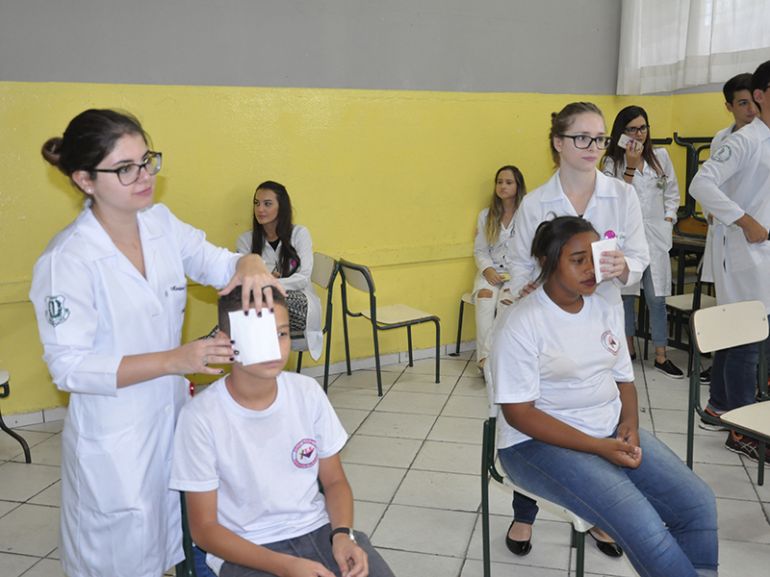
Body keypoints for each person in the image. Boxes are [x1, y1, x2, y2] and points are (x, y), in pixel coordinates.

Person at [29, 109, 281, 577]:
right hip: (115, 435)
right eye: (125, 169)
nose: (144, 176)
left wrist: (247, 261)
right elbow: (71, 368)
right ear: (85, 179)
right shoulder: (68, 259)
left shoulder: (161, 224)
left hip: (170, 422)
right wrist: (175, 360)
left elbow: (216, 262)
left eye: (147, 160)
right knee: (121, 558)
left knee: (176, 543)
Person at [491, 216, 718, 577]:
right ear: (549, 262)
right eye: (577, 260)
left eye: (594, 257)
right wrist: (598, 448)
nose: (591, 269)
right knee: (641, 525)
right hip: (533, 444)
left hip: (607, 428)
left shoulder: (605, 307)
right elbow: (519, 414)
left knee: (697, 503)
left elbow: (623, 380)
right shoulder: (522, 322)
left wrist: (629, 424)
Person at [502, 101, 649, 556]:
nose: (593, 147)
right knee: (540, 415)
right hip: (548, 323)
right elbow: (518, 265)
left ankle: (602, 517)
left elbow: (640, 261)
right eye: (581, 137)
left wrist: (625, 265)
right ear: (558, 144)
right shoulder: (535, 203)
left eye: (599, 138)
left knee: (597, 408)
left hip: (600, 321)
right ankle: (524, 514)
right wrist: (535, 288)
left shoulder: (622, 196)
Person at [170, 287, 395, 577]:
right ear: (226, 342)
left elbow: (335, 480)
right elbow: (204, 529)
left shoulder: (307, 393)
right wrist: (286, 566)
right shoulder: (200, 417)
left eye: (282, 334)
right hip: (247, 550)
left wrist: (342, 535)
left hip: (319, 530)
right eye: (260, 335)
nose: (275, 347)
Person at [690, 60, 770, 461]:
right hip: (744, 250)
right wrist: (744, 219)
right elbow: (700, 183)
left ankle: (722, 407)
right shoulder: (744, 140)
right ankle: (740, 430)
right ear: (760, 95)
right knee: (745, 340)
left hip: (764, 256)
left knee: (750, 335)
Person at [602, 105, 683, 378]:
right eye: (632, 129)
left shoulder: (661, 156)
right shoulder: (611, 163)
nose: (639, 134)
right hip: (626, 239)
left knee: (656, 297)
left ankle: (661, 356)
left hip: (657, 237)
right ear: (621, 133)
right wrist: (631, 167)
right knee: (626, 297)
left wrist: (669, 218)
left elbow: (672, 192)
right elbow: (614, 199)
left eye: (643, 127)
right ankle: (628, 350)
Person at [699, 73, 758, 387]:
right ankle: (727, 391)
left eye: (753, 101)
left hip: (750, 238)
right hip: (729, 232)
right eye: (742, 103)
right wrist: (714, 210)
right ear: (729, 106)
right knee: (731, 315)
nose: (750, 109)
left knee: (747, 319)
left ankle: (732, 389)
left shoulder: (761, 138)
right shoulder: (724, 139)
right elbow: (709, 184)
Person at [236, 181, 323, 360]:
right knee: (252, 311)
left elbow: (303, 279)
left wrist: (267, 282)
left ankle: (211, 349)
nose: (260, 209)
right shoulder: (245, 241)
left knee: (256, 308)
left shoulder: (300, 234)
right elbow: (244, 281)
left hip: (299, 304)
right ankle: (262, 375)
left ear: (281, 207)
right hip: (263, 305)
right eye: (256, 203)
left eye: (267, 204)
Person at [472, 165, 526, 368]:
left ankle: (487, 359)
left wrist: (515, 274)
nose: (503, 186)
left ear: (518, 186)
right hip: (491, 271)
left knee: (505, 302)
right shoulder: (486, 216)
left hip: (516, 273)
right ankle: (484, 361)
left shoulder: (527, 214)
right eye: (499, 182)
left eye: (509, 182)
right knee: (484, 298)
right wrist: (488, 270)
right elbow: (480, 251)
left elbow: (530, 252)